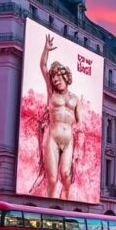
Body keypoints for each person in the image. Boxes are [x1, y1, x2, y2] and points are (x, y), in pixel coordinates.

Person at [40, 34, 81, 199]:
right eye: (53, 78)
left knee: (66, 175)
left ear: (65, 76)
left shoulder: (75, 99)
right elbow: (43, 65)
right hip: (53, 137)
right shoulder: (51, 93)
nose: (55, 80)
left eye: (58, 77)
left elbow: (81, 124)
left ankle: (65, 205)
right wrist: (46, 50)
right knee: (51, 179)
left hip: (69, 140)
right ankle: (49, 206)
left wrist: (78, 152)